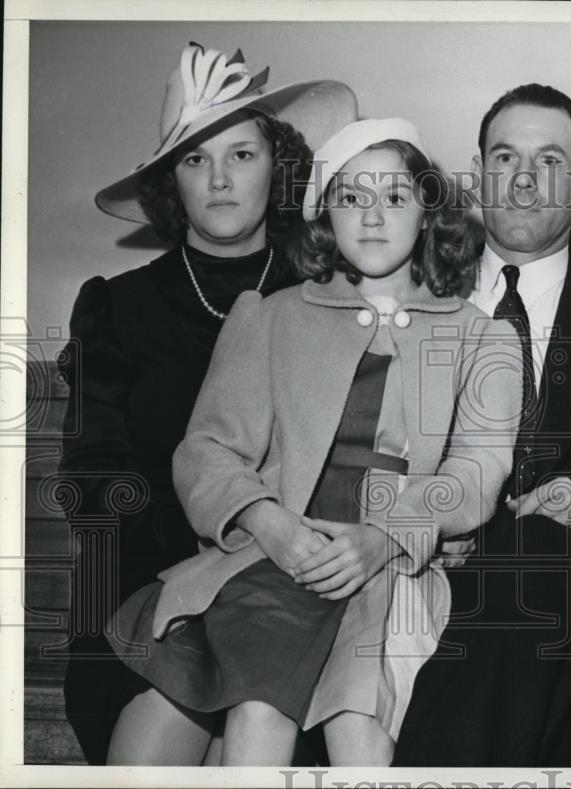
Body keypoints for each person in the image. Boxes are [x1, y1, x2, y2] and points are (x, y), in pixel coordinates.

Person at [103, 118, 523, 766]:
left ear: (428, 210)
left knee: (360, 725)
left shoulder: (482, 337)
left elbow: (477, 471)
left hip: (395, 563)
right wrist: (269, 524)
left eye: (394, 196)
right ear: (325, 212)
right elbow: (206, 450)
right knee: (252, 709)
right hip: (275, 555)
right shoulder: (271, 317)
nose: (374, 217)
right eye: (352, 197)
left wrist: (384, 536)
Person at [56, 41, 356, 764]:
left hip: (296, 597)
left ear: (278, 170)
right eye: (195, 159)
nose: (219, 178)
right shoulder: (117, 308)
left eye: (242, 155)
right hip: (146, 593)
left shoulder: (332, 299)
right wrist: (207, 551)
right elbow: (92, 484)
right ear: (171, 184)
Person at [393, 84, 571, 766]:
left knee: (535, 565)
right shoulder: (413, 301)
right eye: (503, 157)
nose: (521, 180)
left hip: (564, 572)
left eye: (548, 161)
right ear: (477, 173)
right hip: (422, 560)